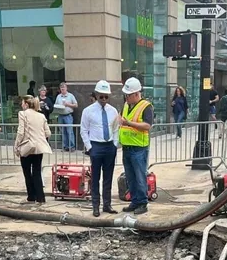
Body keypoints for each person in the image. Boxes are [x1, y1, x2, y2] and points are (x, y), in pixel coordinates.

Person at [81, 80, 120, 217]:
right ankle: (95, 205)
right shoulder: (88, 111)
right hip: (96, 146)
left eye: (106, 97)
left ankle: (107, 204)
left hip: (109, 146)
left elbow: (115, 129)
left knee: (108, 177)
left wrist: (115, 144)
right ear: (96, 95)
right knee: (95, 177)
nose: (103, 99)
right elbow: (83, 130)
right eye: (101, 96)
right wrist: (90, 147)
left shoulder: (113, 111)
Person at [119, 77, 153, 215]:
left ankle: (142, 203)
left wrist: (129, 124)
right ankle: (134, 201)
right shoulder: (126, 105)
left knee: (140, 176)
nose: (126, 97)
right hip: (127, 147)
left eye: (128, 94)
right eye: (125, 94)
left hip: (139, 148)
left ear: (136, 94)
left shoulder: (146, 106)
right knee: (130, 177)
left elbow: (147, 125)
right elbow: (121, 119)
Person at [15, 96, 52, 204]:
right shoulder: (41, 116)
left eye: (22, 103)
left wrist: (16, 146)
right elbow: (48, 133)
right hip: (39, 148)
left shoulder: (22, 114)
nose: (21, 105)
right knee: (36, 171)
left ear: (26, 104)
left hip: (26, 147)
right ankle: (40, 197)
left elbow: (20, 132)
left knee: (27, 172)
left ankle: (31, 195)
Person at [54, 82, 78, 151]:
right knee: (62, 131)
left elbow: (76, 105)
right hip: (60, 115)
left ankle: (72, 146)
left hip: (68, 115)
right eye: (61, 89)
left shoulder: (70, 96)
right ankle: (65, 146)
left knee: (69, 131)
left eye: (63, 88)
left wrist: (68, 104)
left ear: (66, 88)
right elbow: (55, 104)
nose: (62, 90)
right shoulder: (58, 96)